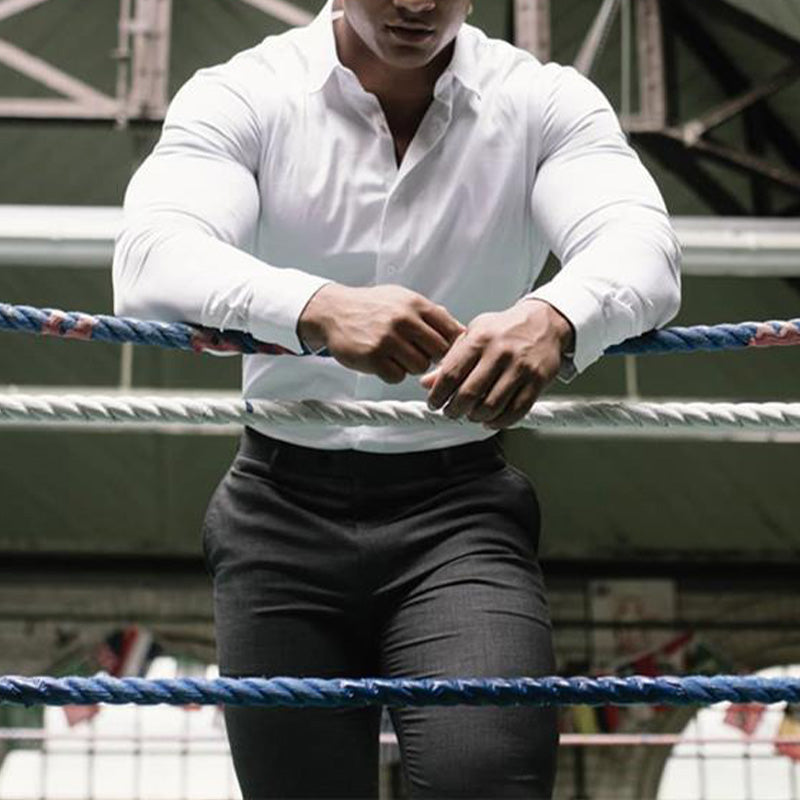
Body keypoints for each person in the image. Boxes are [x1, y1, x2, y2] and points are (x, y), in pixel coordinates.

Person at [113, 0, 681, 796]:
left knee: (487, 781)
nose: (417, 3)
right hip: (276, 515)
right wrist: (318, 305)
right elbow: (149, 258)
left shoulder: (545, 99)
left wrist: (558, 313)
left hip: (460, 512)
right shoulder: (245, 91)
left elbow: (642, 245)